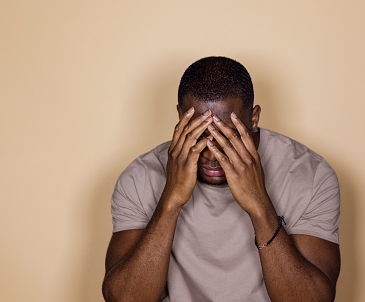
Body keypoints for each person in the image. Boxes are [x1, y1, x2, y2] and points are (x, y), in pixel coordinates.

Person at [102, 57, 341, 302]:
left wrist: (260, 206)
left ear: (254, 118)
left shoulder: (310, 174)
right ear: (179, 117)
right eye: (199, 134)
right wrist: (171, 200)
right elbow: (123, 299)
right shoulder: (141, 176)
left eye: (227, 135)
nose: (210, 153)